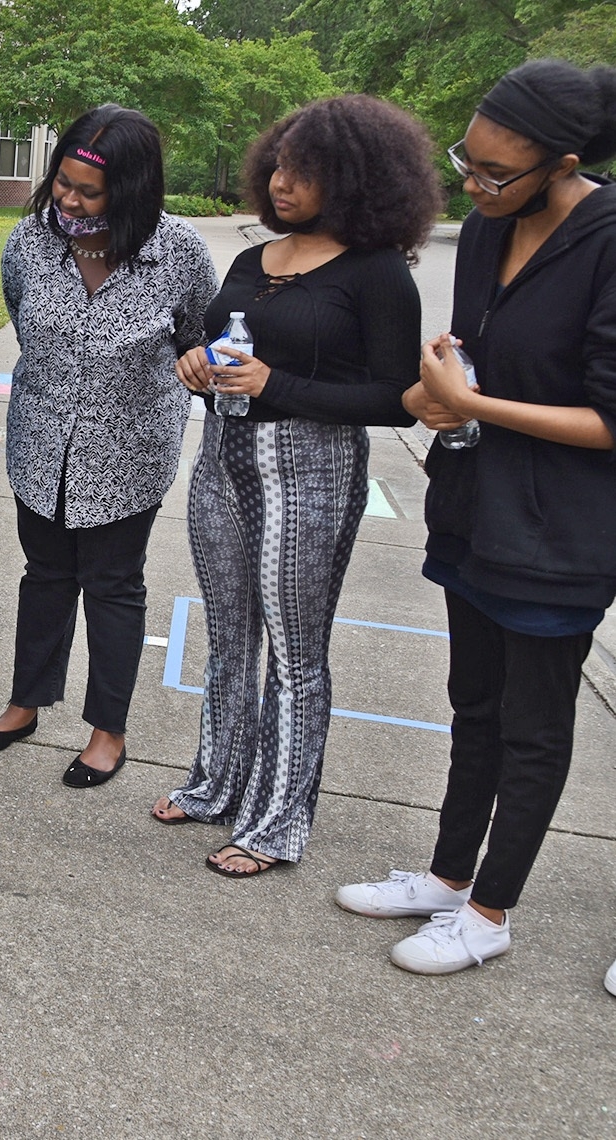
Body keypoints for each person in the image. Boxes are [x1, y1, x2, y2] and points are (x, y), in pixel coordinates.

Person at [336, 61, 616, 981]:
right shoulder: (494, 228)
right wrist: (444, 391)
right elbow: (478, 364)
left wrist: (479, 405)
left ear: (565, 163)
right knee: (473, 707)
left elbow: (609, 420)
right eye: (470, 159)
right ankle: (450, 876)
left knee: (533, 728)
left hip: (561, 533)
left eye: (496, 173)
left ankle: (490, 913)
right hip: (477, 510)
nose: (473, 184)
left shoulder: (608, 241)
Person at [157, 95, 440, 876]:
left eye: (305, 172)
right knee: (229, 632)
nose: (282, 183)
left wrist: (273, 383)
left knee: (294, 651)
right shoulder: (254, 259)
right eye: (279, 164)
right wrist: (197, 361)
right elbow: (223, 345)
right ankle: (215, 784)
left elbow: (395, 399)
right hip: (221, 460)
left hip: (310, 474)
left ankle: (275, 823)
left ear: (352, 180)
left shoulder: (377, 273)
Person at [0, 105, 217, 787]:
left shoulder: (179, 251)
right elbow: (25, 321)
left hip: (129, 449)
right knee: (44, 575)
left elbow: (200, 332)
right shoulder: (29, 243)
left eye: (88, 191)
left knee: (112, 585)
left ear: (131, 190)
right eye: (63, 183)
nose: (69, 201)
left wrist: (196, 358)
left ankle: (109, 732)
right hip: (42, 439)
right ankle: (26, 703)